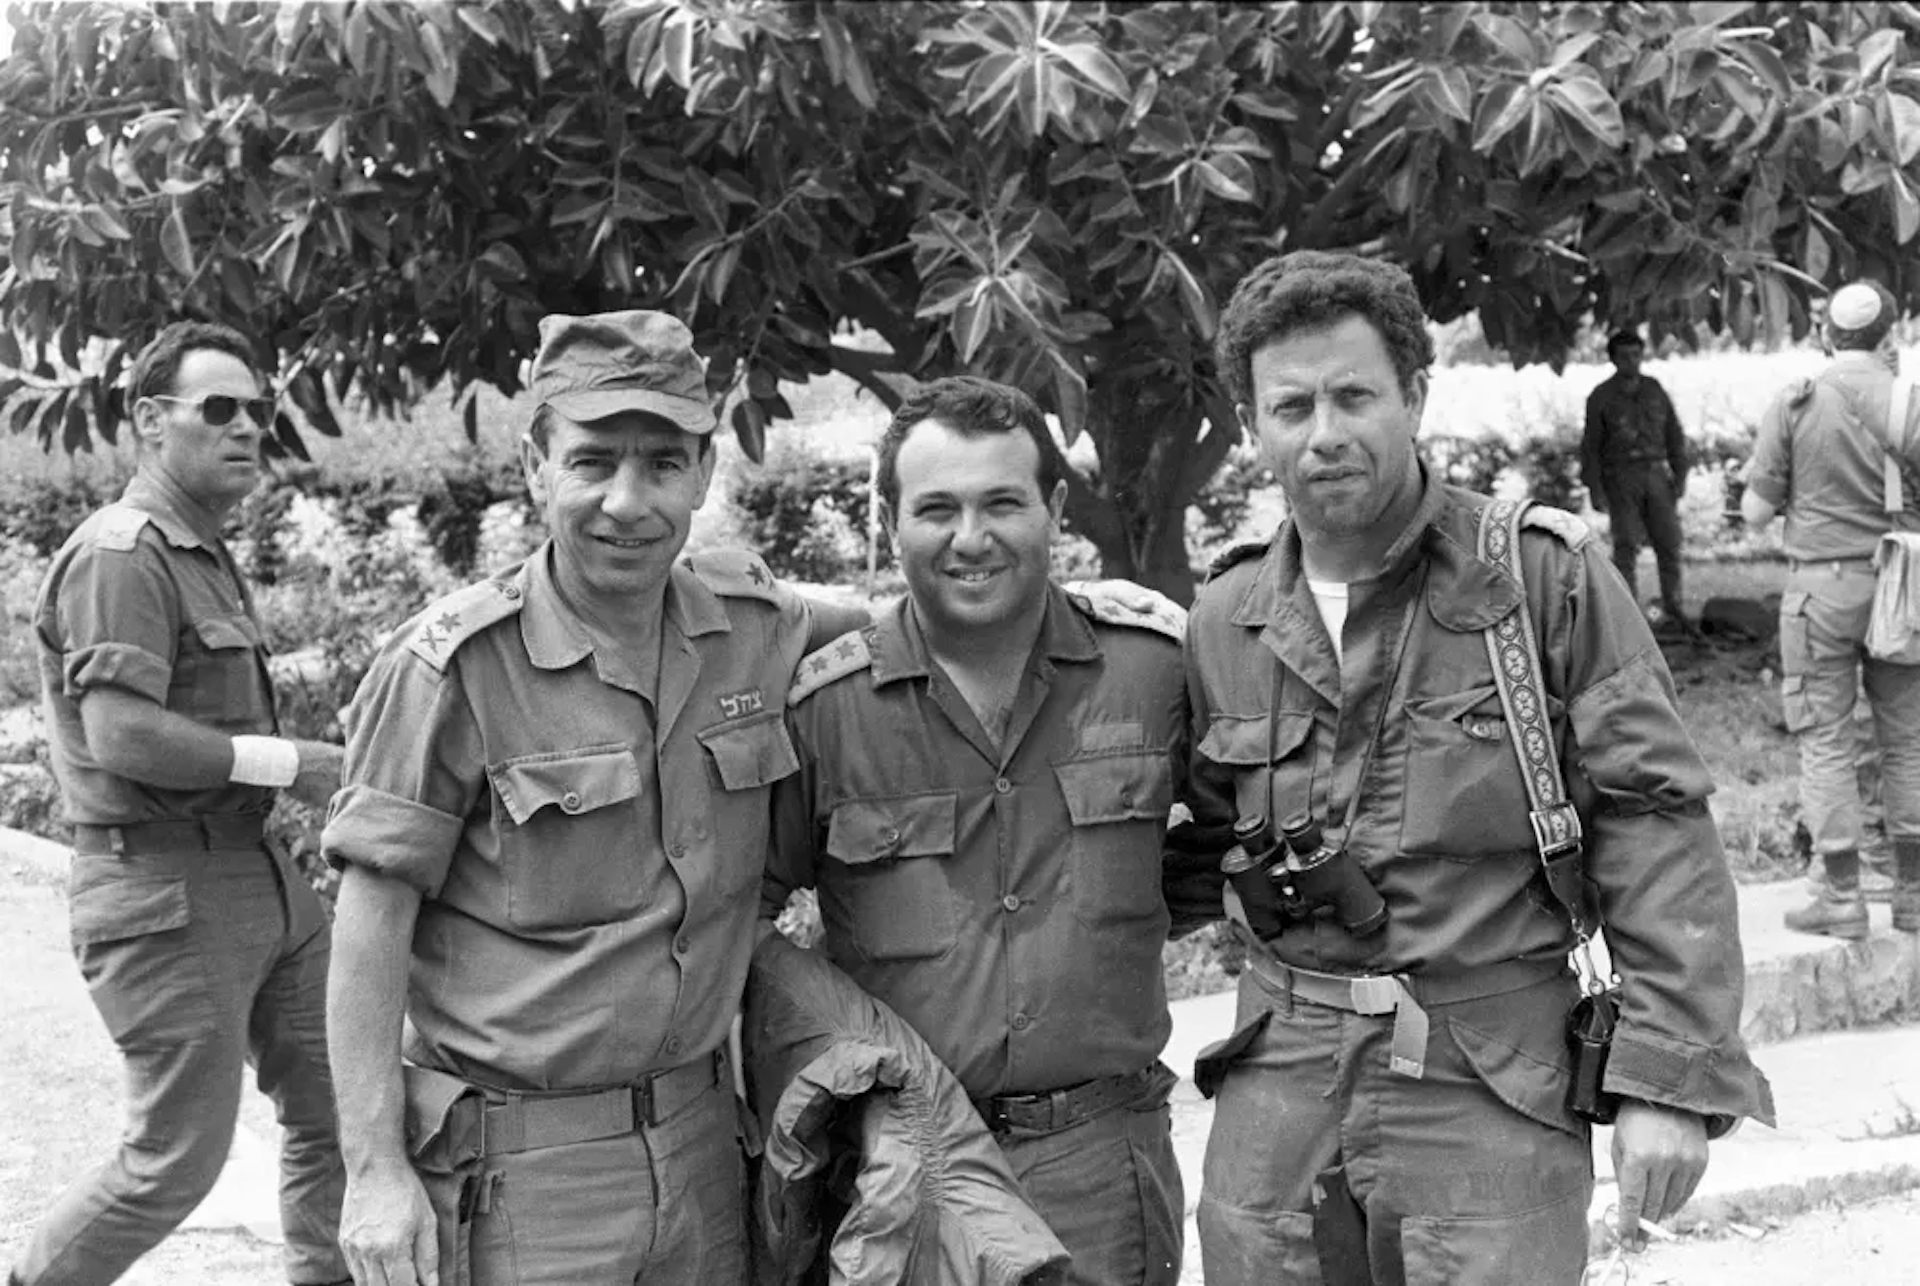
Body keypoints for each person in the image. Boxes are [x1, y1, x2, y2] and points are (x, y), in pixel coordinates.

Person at [1187, 251, 1774, 1285]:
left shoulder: (1538, 580)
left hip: (1488, 1077)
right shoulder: (1224, 615)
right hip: (1280, 1081)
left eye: (1354, 396)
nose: (1324, 432)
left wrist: (1669, 1079)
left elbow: (1655, 821)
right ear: (1251, 422)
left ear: (1414, 396)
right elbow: (1185, 840)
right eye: (1291, 406)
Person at [322, 310, 862, 1286]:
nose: (627, 500)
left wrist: (1088, 609)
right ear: (537, 466)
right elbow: (370, 919)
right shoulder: (453, 668)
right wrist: (372, 1170)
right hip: (525, 1179)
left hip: (705, 1154)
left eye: (662, 463)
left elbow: (895, 627)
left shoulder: (752, 625)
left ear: (704, 472)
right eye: (593, 461)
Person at [762, 376, 1196, 1285]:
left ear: (1055, 508)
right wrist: (847, 1066)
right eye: (936, 509)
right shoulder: (827, 711)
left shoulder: (1153, 673)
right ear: (891, 522)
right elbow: (742, 927)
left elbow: (1226, 847)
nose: (970, 537)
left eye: (1002, 502)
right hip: (908, 1183)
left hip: (1102, 1176)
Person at [17, 322, 348, 1286]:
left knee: (341, 1110)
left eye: (258, 410)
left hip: (255, 878)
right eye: (220, 408)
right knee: (173, 1160)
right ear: (150, 421)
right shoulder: (122, 554)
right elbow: (122, 735)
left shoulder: (198, 549)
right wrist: (294, 764)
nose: (247, 427)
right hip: (163, 889)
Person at [1743, 279, 1920, 937]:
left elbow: (1755, 512)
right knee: (1909, 741)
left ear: (1826, 334)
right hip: (1901, 588)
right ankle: (1913, 897)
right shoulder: (1907, 401)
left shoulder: (1796, 401)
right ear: (1889, 333)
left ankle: (1841, 899)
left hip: (1821, 592)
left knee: (1826, 740)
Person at [1583, 329, 1693, 631]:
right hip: (1621, 476)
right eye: (1624, 356)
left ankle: (1674, 609)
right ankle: (1628, 618)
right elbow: (1591, 445)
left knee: (1669, 543)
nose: (1631, 361)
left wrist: (1680, 473)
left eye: (1636, 354)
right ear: (1613, 359)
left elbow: (1674, 433)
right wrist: (1595, 488)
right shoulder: (1601, 396)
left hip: (1656, 474)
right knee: (1626, 545)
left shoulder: (1654, 389)